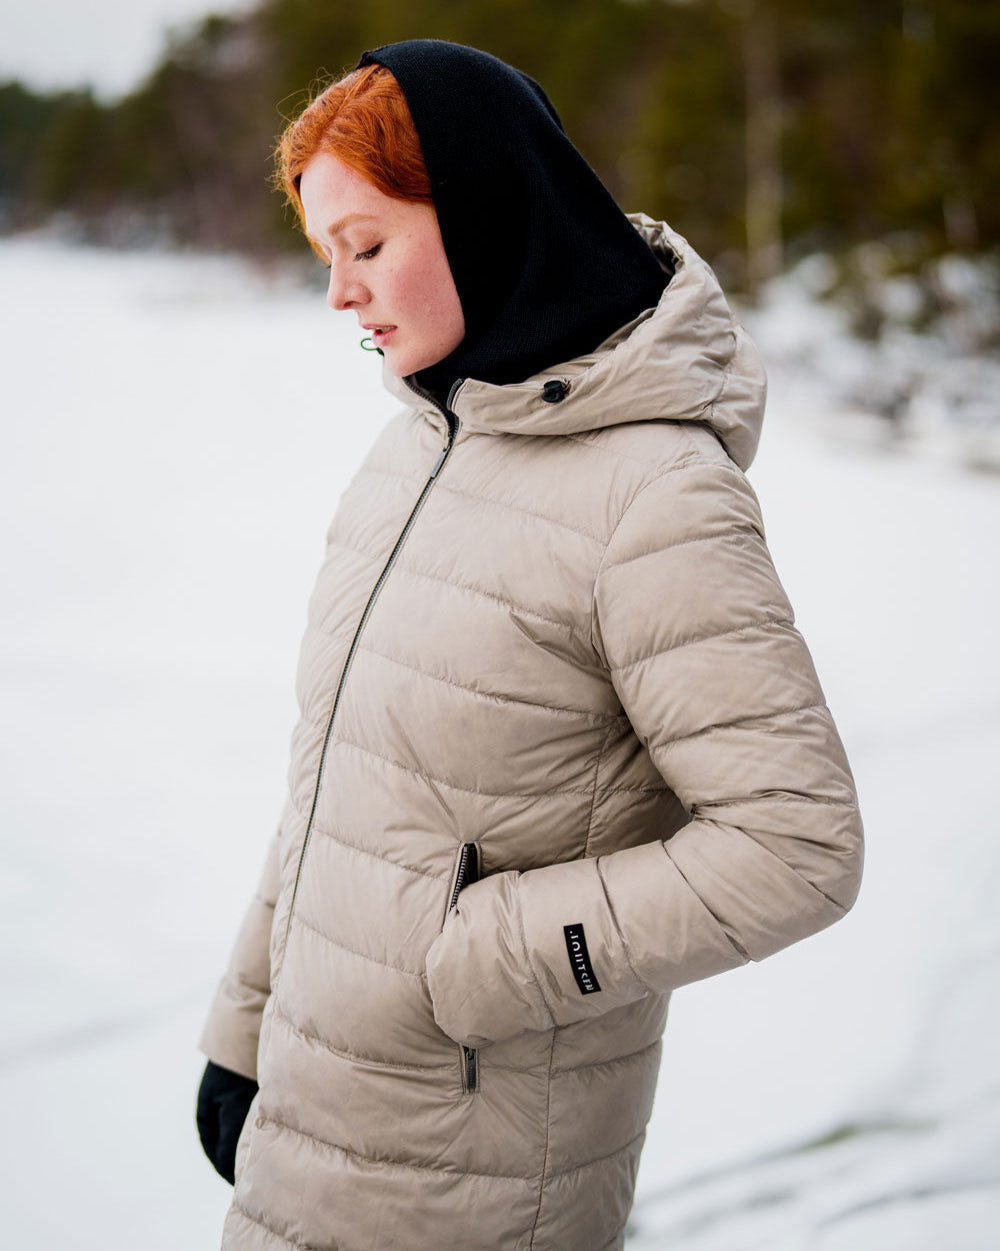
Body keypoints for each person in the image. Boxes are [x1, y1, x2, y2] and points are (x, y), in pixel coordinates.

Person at [196, 38, 864, 1251]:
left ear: (486, 212)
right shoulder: (421, 443)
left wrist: (467, 966)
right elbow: (345, 785)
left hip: (481, 1175)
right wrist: (243, 1025)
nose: (338, 293)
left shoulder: (653, 494)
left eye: (367, 245)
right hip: (311, 1111)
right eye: (326, 255)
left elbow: (796, 847)